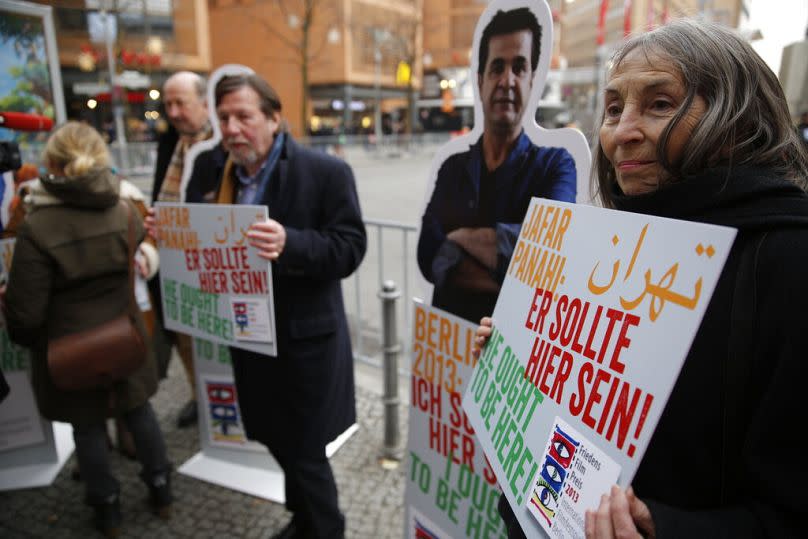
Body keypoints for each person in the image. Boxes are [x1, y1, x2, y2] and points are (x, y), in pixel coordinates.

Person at [475, 18, 808, 539]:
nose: (621, 133)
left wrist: (665, 529)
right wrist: (517, 358)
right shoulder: (605, 244)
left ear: (737, 119)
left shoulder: (788, 261)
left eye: (659, 104)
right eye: (612, 109)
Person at [149, 73, 366, 539]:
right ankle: (302, 519)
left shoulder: (324, 172)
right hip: (247, 337)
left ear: (273, 119)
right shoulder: (209, 168)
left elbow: (349, 249)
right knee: (273, 436)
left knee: (307, 453)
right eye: (224, 117)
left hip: (304, 342)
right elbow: (198, 239)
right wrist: (168, 235)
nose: (231, 128)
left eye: (244, 116)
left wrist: (293, 242)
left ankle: (326, 529)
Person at [1, 122, 172, 537]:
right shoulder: (125, 210)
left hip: (67, 350)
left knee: (89, 428)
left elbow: (25, 315)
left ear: (53, 163)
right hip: (125, 337)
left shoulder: (37, 227)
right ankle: (161, 487)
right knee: (140, 413)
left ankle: (107, 509)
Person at [417, 7, 577, 323]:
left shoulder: (556, 166)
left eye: (519, 67)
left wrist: (458, 238)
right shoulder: (452, 168)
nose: (507, 80)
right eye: (497, 67)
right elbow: (427, 254)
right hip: (452, 347)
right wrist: (511, 274)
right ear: (480, 80)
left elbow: (547, 259)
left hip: (514, 356)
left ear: (533, 80)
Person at [151, 70, 213, 429]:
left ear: (204, 104)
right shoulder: (169, 144)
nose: (172, 112)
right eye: (167, 104)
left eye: (180, 103)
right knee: (183, 338)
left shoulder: (222, 145)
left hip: (211, 261)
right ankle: (199, 394)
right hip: (172, 261)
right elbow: (163, 194)